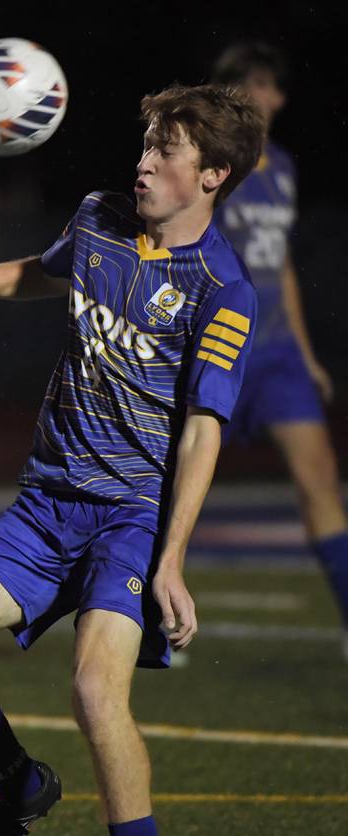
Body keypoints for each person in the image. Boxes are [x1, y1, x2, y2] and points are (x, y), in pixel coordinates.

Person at [0, 85, 264, 836]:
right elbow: (45, 272)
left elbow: (202, 433)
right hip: (44, 506)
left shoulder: (222, 291)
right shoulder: (99, 217)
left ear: (213, 175)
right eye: (147, 145)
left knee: (97, 694)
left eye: (167, 152)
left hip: (129, 519)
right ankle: (21, 784)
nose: (144, 163)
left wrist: (173, 559)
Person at [212, 42, 348, 653]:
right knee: (169, 486)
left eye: (267, 86)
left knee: (320, 479)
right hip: (219, 348)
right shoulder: (212, 164)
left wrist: (306, 352)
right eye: (245, 86)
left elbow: (283, 265)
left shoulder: (285, 167)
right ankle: (136, 612)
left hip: (277, 356)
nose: (257, 97)